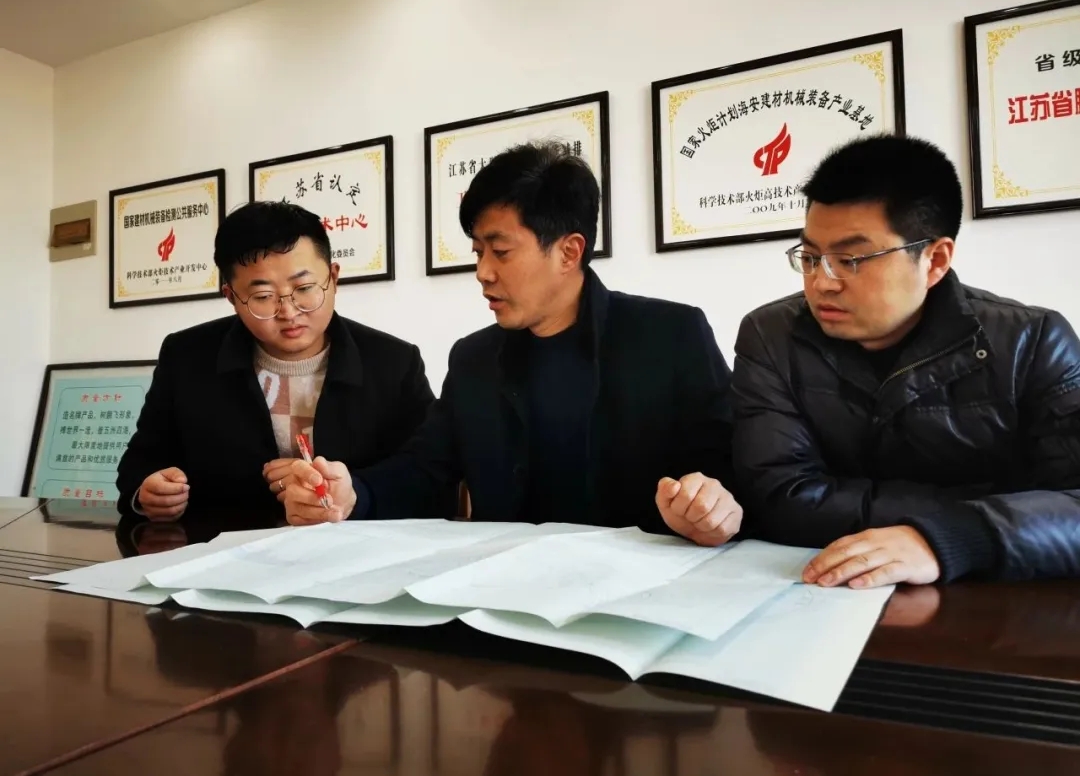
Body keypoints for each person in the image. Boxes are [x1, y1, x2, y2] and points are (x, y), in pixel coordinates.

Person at [283, 140, 741, 545]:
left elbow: (730, 471)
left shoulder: (670, 336)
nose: (483, 272)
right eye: (478, 252)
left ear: (569, 251)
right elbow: (425, 469)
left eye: (500, 251)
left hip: (644, 589)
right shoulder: (474, 359)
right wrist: (354, 494)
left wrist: (715, 507)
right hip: (504, 594)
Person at [730, 133, 1080, 588]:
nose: (822, 283)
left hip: (999, 597)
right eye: (811, 257)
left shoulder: (1032, 342)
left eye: (851, 260)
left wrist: (952, 536)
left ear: (935, 260)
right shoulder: (771, 337)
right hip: (822, 587)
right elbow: (781, 496)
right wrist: (995, 505)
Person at [115, 201, 441, 522]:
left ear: (333, 278)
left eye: (305, 288)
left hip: (355, 548)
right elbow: (139, 464)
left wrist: (355, 492)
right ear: (232, 297)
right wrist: (148, 493)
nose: (288, 311)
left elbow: (429, 472)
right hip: (224, 547)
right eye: (262, 297)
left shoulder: (393, 362)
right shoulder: (187, 357)